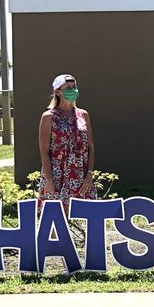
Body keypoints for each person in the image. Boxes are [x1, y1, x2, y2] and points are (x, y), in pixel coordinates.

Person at [38, 74, 96, 207]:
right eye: (68, 87)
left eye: (74, 87)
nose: (72, 90)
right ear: (57, 91)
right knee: (55, 217)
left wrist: (89, 176)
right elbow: (44, 151)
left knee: (84, 213)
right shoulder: (48, 117)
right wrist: (49, 180)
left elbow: (90, 147)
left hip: (80, 175)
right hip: (57, 175)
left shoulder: (83, 115)